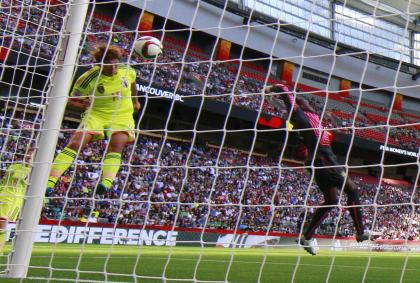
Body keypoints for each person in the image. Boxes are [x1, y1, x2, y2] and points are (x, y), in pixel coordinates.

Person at [264, 83, 370, 255]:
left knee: (332, 201)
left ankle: (307, 236)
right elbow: (284, 90)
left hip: (321, 163)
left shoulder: (313, 117)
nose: (308, 103)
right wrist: (271, 89)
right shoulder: (300, 116)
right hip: (325, 161)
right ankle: (360, 232)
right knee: (352, 189)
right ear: (299, 107)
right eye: (303, 102)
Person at [46, 44, 141, 196]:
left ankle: (106, 183)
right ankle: (50, 182)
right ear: (100, 64)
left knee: (117, 143)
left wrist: (136, 101)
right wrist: (80, 103)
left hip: (122, 114)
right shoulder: (88, 78)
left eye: (116, 62)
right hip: (96, 114)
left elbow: (133, 84)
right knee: (76, 143)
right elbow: (70, 100)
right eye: (110, 64)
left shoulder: (128, 71)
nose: (114, 66)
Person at [0, 151, 33, 253]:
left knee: (1, 226)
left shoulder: (36, 172)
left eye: (31, 156)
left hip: (14, 201)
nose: (28, 157)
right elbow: (16, 179)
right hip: (4, 196)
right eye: (28, 155)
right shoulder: (15, 166)